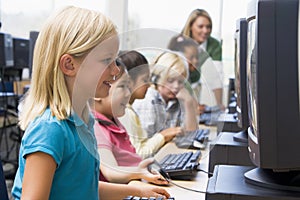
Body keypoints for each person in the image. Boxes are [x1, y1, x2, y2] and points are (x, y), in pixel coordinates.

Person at [11, 6, 170, 200]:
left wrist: (136, 190)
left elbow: (84, 188)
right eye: (106, 60)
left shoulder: (83, 121)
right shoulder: (49, 130)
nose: (116, 71)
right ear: (69, 65)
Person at [92, 59, 169, 185]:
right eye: (122, 86)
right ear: (97, 92)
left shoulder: (113, 121)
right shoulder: (96, 126)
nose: (128, 93)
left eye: (129, 87)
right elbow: (111, 171)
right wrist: (140, 172)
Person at [118, 50, 174, 158]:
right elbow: (138, 154)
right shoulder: (125, 113)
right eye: (144, 80)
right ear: (128, 82)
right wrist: (162, 136)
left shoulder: (129, 109)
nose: (149, 85)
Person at [132, 51, 199, 140]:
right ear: (156, 78)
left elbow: (191, 136)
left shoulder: (177, 99)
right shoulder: (148, 100)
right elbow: (143, 145)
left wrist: (188, 103)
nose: (176, 87)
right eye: (170, 80)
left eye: (180, 82)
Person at [167, 34, 224, 112]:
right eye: (191, 57)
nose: (196, 61)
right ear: (179, 57)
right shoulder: (173, 83)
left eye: (197, 57)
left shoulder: (187, 80)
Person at [181, 8, 224, 107]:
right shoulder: (179, 43)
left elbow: (216, 76)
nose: (205, 31)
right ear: (191, 26)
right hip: (176, 89)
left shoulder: (213, 45)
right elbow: (176, 77)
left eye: (208, 27)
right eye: (200, 26)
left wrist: (220, 104)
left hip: (194, 86)